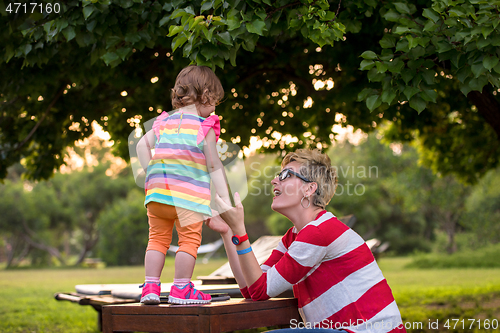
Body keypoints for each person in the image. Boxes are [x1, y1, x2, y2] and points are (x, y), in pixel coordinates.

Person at [206, 149, 406, 332]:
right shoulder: (294, 236)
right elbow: (252, 288)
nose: (274, 181)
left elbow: (260, 290)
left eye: (285, 175)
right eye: (278, 175)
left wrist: (241, 233)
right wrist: (229, 231)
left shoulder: (319, 232)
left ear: (310, 189)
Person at [136, 65, 231, 305]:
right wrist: (224, 198)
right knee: (189, 240)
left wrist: (151, 174)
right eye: (215, 101)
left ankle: (150, 287)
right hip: (188, 198)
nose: (214, 107)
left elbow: (140, 147)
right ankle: (181, 289)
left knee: (157, 239)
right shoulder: (206, 125)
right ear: (206, 94)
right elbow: (213, 164)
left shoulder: (164, 121)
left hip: (157, 195)